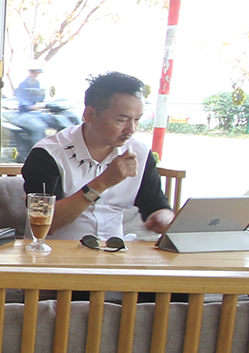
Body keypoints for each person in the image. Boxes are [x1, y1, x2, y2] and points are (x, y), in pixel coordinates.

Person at [21, 70, 175, 241]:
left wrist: (165, 218)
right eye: (122, 120)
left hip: (114, 251)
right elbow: (46, 224)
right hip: (56, 253)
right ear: (90, 115)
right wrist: (101, 183)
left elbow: (155, 204)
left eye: (137, 119)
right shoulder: (48, 154)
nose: (131, 129)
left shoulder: (139, 153)